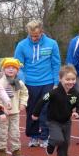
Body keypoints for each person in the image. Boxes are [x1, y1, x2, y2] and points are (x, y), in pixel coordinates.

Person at [14, 20, 61, 148]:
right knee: (32, 110)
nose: (34, 38)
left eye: (36, 35)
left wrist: (56, 82)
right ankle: (34, 136)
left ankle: (45, 136)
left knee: (46, 109)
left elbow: (56, 64)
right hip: (29, 83)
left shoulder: (52, 44)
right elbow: (18, 66)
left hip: (48, 82)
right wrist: (21, 82)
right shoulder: (21, 45)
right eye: (31, 36)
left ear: (42, 32)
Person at [31, 65, 79, 156]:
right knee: (58, 139)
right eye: (67, 79)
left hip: (66, 121)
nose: (70, 82)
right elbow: (42, 100)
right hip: (53, 121)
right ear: (60, 79)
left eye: (73, 79)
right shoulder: (54, 92)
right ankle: (51, 143)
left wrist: (78, 113)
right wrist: (35, 114)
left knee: (66, 141)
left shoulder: (75, 93)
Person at [0, 57, 29, 156]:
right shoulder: (0, 83)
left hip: (15, 112)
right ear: (3, 69)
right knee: (2, 132)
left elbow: (24, 93)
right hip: (3, 113)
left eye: (13, 68)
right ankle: (2, 151)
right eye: (8, 67)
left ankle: (16, 150)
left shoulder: (19, 82)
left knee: (15, 132)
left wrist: (23, 103)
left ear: (17, 70)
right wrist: (2, 109)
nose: (11, 69)